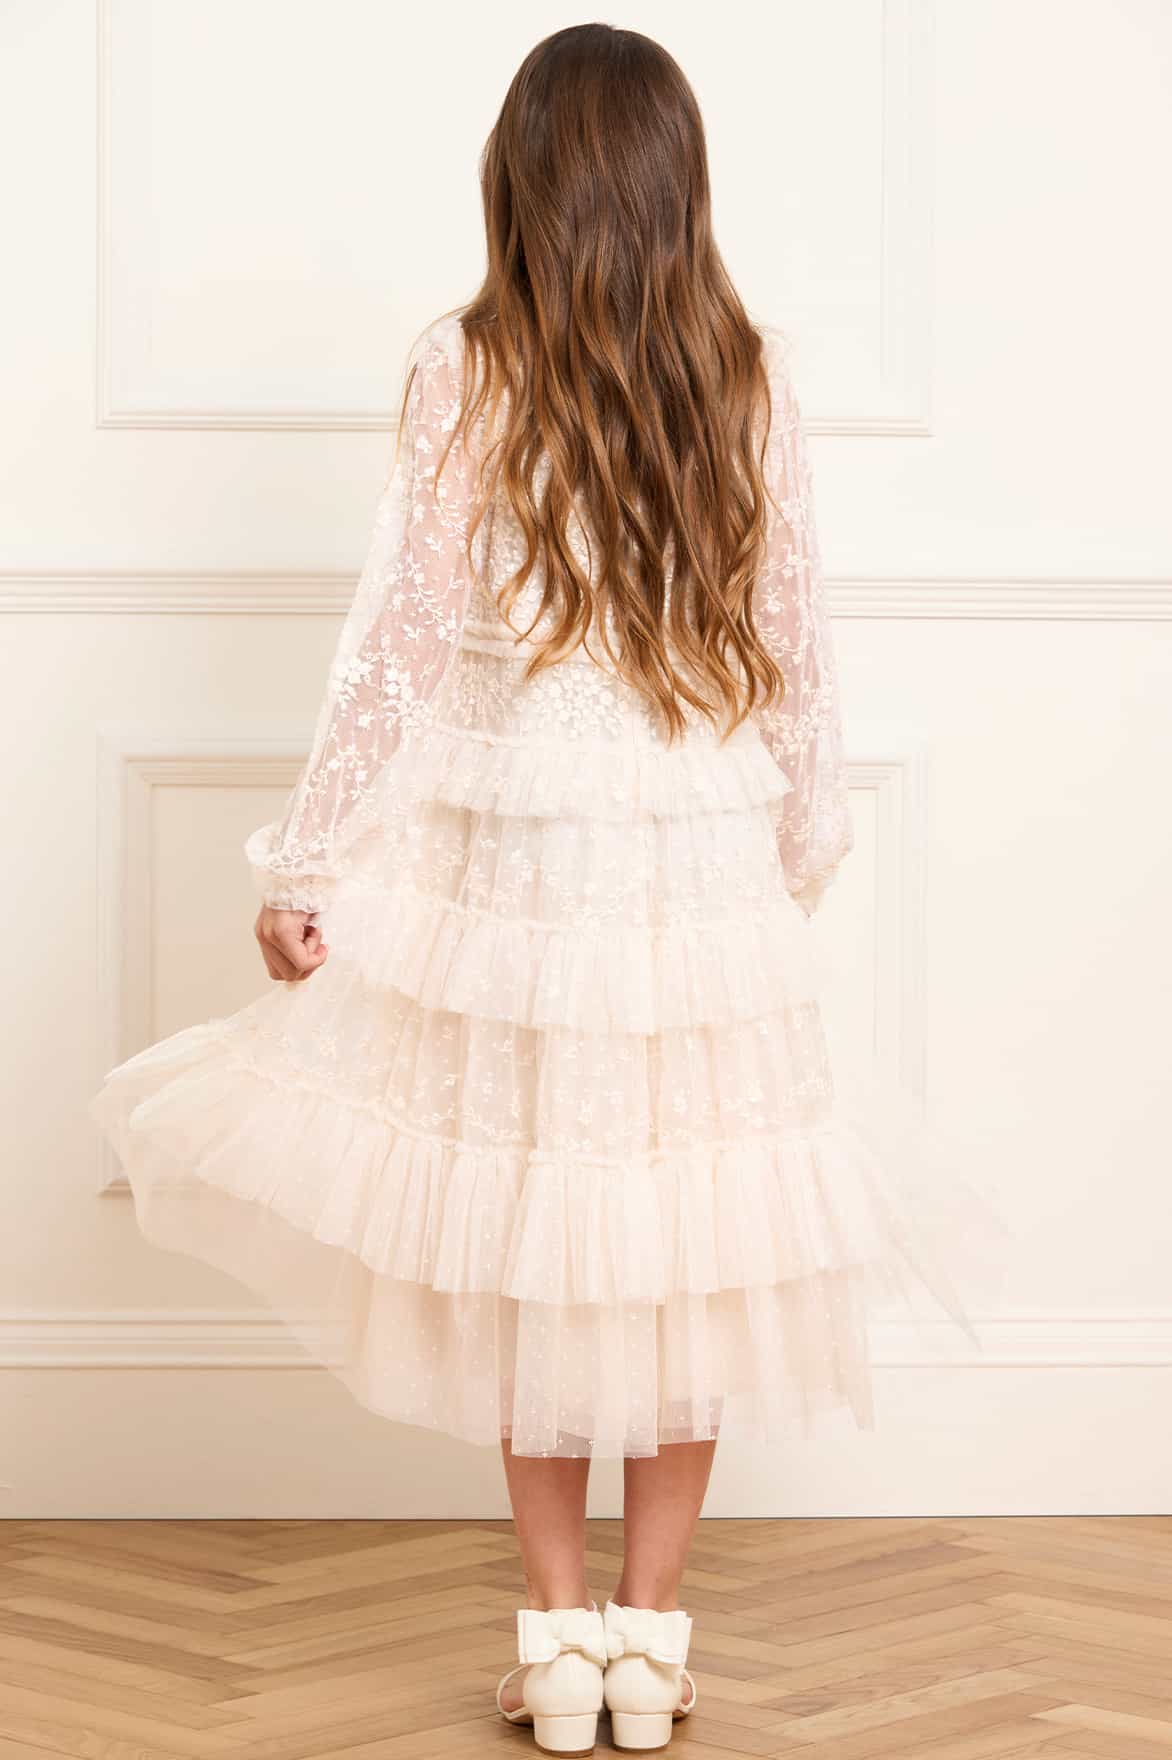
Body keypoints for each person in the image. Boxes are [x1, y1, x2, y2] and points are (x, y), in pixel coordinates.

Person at [90, 23, 996, 1756]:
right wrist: (797, 853)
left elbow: (396, 638)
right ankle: (652, 1645)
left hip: (521, 869)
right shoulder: (746, 371)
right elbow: (801, 643)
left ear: (519, 176)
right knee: (691, 1246)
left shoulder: (468, 362)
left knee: (537, 1241)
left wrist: (308, 862)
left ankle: (558, 1639)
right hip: (696, 861)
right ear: (678, 181)